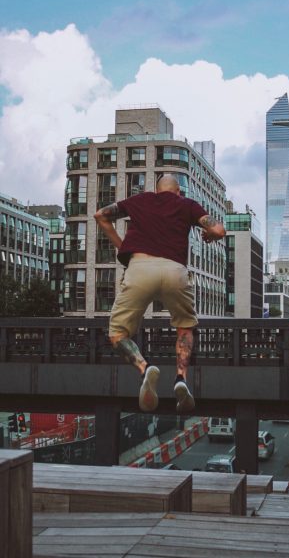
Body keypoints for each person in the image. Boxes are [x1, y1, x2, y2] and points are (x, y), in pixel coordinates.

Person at [94, 174, 225, 413]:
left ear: (157, 190)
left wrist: (122, 246)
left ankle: (145, 369)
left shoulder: (141, 200)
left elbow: (101, 215)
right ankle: (181, 378)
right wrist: (210, 234)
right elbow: (218, 229)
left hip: (140, 268)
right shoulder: (186, 204)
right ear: (177, 192)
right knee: (185, 327)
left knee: (117, 334)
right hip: (175, 271)